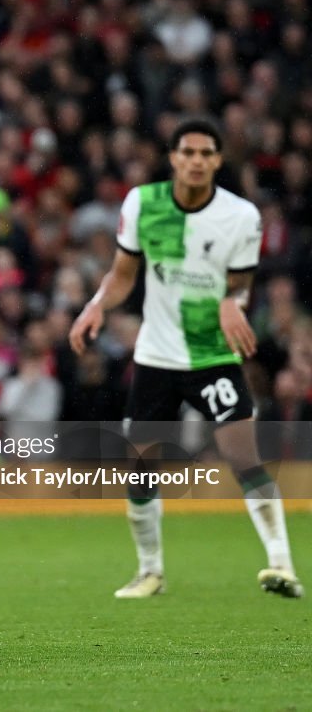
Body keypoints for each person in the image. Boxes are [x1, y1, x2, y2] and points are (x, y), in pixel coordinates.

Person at [69, 119, 303, 600]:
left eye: (206, 153)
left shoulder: (240, 216)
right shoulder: (143, 203)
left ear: (218, 160)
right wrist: (95, 304)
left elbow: (240, 284)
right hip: (156, 355)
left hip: (212, 354)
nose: (196, 161)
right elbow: (123, 273)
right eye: (188, 152)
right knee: (140, 466)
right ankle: (150, 571)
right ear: (173, 157)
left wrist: (230, 302)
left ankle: (282, 565)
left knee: (243, 456)